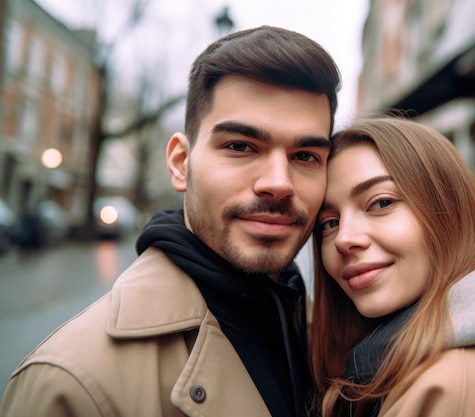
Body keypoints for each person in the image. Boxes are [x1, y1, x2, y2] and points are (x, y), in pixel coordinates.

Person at [0, 26, 340, 417]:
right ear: (180, 164)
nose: (278, 184)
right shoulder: (72, 383)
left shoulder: (336, 338)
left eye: (306, 156)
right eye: (241, 147)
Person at [310, 118, 475, 417]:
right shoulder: (404, 357)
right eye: (330, 222)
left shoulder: (458, 391)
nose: (344, 239)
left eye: (381, 203)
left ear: (449, 212)